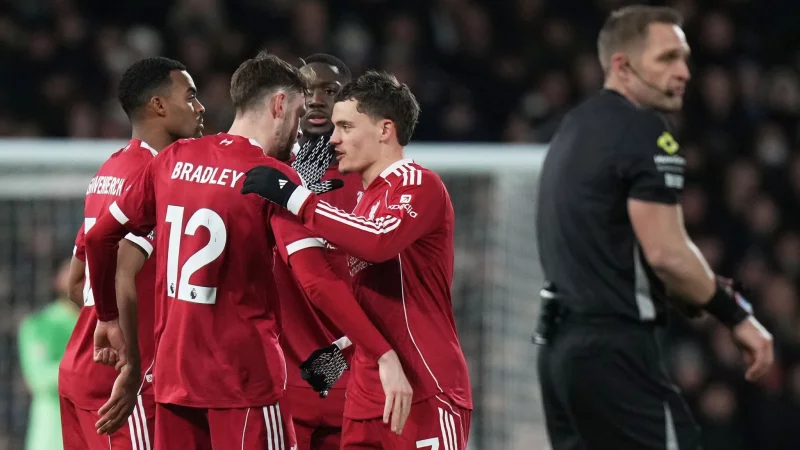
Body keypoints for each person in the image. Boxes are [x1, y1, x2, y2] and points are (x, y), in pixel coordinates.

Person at [84, 52, 412, 450]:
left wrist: (107, 317)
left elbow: (98, 238)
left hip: (175, 380)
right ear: (278, 105)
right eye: (296, 113)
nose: (296, 130)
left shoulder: (173, 159)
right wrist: (382, 352)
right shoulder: (270, 178)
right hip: (243, 380)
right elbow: (316, 280)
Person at [533, 6, 774, 449]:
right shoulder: (643, 130)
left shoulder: (573, 127)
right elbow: (668, 254)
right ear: (622, 66)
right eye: (667, 58)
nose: (683, 71)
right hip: (613, 352)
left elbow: (617, 247)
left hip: (559, 353)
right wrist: (737, 316)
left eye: (684, 57)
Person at [241, 70, 473, 450]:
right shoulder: (364, 202)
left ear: (385, 130)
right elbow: (377, 302)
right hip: (367, 397)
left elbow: (378, 241)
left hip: (424, 387)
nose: (334, 139)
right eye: (334, 127)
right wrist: (342, 351)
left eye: (346, 126)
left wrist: (295, 198)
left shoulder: (419, 184)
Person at [58, 56, 205, 450]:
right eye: (190, 96)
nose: (200, 107)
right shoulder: (156, 179)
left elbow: (74, 282)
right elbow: (123, 271)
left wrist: (100, 321)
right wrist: (134, 356)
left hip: (79, 368)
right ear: (158, 105)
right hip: (122, 385)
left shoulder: (110, 169)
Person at [274, 53, 360, 450]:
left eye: (330, 90)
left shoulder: (371, 179)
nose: (316, 100)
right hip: (285, 374)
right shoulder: (268, 175)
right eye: (306, 89)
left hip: (354, 372)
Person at [19, 259, 79, 450]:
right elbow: (39, 379)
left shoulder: (106, 324)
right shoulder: (37, 325)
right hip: (52, 439)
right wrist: (88, 366)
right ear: (57, 279)